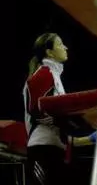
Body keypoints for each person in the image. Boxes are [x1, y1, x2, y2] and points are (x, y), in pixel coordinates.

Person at [23, 32, 69, 185]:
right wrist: (60, 120)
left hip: (54, 147)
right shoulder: (44, 73)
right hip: (42, 148)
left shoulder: (54, 74)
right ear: (49, 52)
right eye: (61, 44)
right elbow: (34, 108)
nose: (65, 48)